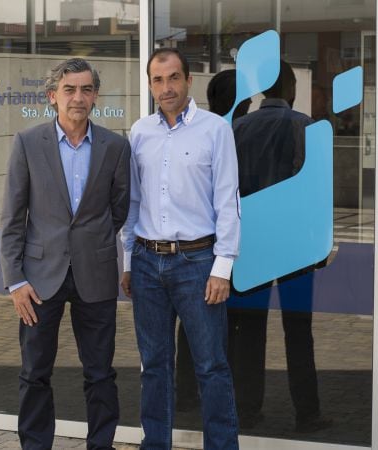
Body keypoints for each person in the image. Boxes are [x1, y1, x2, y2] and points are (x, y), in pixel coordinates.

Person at [0, 57, 131, 450]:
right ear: (52, 96)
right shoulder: (27, 143)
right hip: (39, 280)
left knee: (100, 373)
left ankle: (100, 445)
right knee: (35, 372)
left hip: (96, 273)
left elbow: (118, 209)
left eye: (86, 89)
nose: (78, 97)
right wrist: (15, 280)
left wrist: (96, 243)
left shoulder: (115, 146)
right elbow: (12, 216)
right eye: (69, 89)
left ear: (95, 96)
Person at [121, 48, 241, 450]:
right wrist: (127, 261)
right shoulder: (139, 133)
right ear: (151, 85)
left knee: (211, 366)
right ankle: (155, 444)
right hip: (146, 261)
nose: (166, 87)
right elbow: (133, 203)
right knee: (154, 367)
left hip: (197, 262)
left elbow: (228, 200)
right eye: (158, 80)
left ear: (190, 81)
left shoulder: (215, 129)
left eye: (173, 78)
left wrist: (222, 267)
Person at [231, 60, 332, 433]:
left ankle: (246, 410)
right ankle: (307, 413)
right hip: (294, 246)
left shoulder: (237, 128)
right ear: (291, 89)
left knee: (249, 331)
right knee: (298, 330)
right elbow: (315, 190)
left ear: (260, 91)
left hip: (251, 245)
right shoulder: (304, 126)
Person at [175, 69, 250, 413]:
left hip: (218, 255)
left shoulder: (221, 131)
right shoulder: (217, 134)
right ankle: (243, 403)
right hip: (209, 255)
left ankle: (189, 395)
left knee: (197, 334)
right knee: (227, 334)